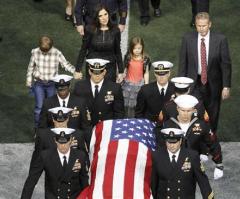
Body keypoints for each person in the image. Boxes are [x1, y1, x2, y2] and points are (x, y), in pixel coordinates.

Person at [178, 12, 232, 134]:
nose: (201, 28)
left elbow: (226, 64)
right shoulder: (187, 39)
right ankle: (197, 144)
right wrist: (181, 87)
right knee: (196, 114)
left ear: (210, 24)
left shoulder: (221, 40)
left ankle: (211, 143)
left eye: (204, 25)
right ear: (195, 25)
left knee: (213, 115)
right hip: (194, 84)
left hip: (214, 84)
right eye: (199, 26)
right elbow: (183, 64)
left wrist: (226, 86)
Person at [162, 94, 224, 180]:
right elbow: (160, 145)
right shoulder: (167, 125)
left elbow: (213, 142)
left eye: (188, 111)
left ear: (194, 110)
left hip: (194, 164)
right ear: (177, 109)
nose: (185, 114)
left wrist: (219, 164)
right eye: (182, 110)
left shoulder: (201, 125)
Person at [21, 128, 89, 199]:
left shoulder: (80, 156)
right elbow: (32, 180)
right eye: (60, 142)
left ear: (71, 140)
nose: (63, 146)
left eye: (65, 142)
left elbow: (84, 180)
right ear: (55, 140)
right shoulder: (45, 156)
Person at [26, 36, 77, 129]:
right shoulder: (35, 52)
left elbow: (65, 64)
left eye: (47, 51)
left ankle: (51, 128)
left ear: (51, 47)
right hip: (39, 83)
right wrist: (29, 80)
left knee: (51, 107)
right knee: (39, 107)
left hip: (52, 84)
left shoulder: (57, 53)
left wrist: (75, 71)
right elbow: (31, 67)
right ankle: (38, 129)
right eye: (43, 51)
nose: (44, 53)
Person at [151, 128, 214, 199]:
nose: (171, 146)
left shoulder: (192, 156)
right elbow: (153, 182)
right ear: (165, 141)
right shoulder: (157, 156)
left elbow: (203, 182)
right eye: (169, 142)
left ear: (180, 141)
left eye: (174, 142)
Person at [74, 58, 125, 144]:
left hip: (106, 131)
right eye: (94, 72)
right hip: (85, 132)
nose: (97, 75)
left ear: (104, 72)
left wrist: (115, 132)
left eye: (100, 72)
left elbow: (119, 113)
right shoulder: (79, 87)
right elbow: (75, 112)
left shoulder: (115, 88)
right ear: (89, 72)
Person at [75, 5, 124, 82]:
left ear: (109, 14)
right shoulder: (89, 29)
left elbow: (117, 51)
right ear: (96, 18)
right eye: (100, 16)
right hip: (93, 67)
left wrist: (121, 71)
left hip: (110, 68)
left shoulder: (115, 30)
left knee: (108, 92)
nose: (104, 18)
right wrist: (78, 70)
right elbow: (83, 49)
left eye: (105, 14)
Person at [122, 36, 151, 118]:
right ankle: (126, 119)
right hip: (128, 85)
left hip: (139, 86)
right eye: (135, 48)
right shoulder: (128, 57)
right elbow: (125, 70)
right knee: (127, 105)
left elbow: (146, 73)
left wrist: (146, 84)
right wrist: (121, 77)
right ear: (131, 48)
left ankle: (136, 120)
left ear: (142, 48)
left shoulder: (145, 59)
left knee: (137, 105)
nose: (137, 50)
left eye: (139, 48)